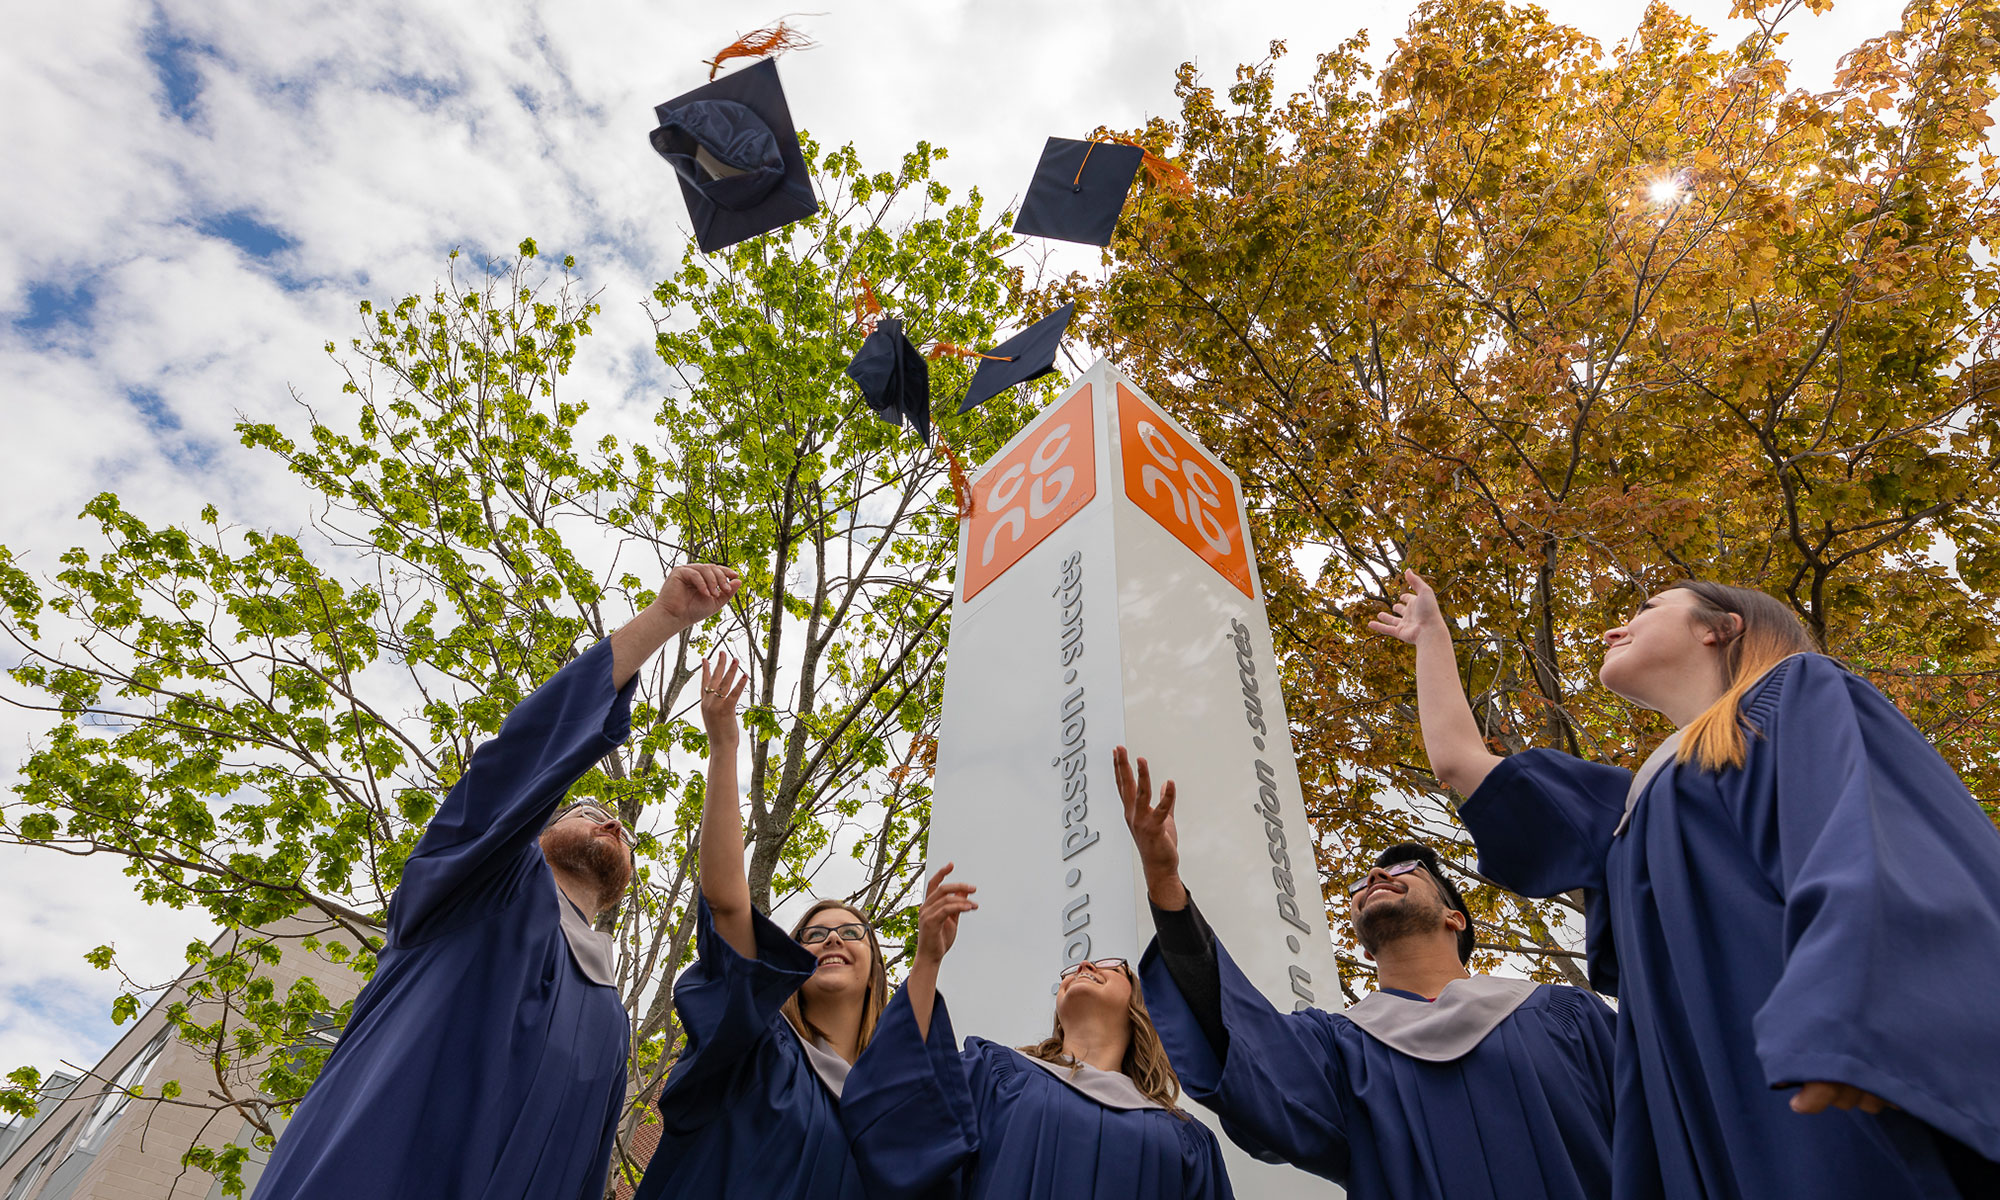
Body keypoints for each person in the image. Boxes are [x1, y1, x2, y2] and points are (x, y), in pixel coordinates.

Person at [1371, 569, 2000, 1198]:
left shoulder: (1797, 692)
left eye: (1648, 607)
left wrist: (1849, 1012)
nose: (1618, 625)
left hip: (1812, 1068)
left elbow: (1868, 842)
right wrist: (1433, 639)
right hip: (1696, 1108)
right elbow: (1461, 761)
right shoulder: (1627, 806)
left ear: (1721, 628)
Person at [252, 563, 742, 1200]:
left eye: (619, 824)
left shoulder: (608, 1019)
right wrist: (663, 621)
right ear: (532, 834)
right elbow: (519, 765)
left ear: (624, 886)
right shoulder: (474, 889)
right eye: (585, 810)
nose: (609, 821)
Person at [1119, 746, 1616, 1199]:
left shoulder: (1564, 1014)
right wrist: (1164, 881)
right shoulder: (1337, 1052)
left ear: (1454, 917)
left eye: (1405, 873)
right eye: (1362, 881)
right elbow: (1240, 1042)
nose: (1377, 876)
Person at [634, 654, 886, 1199]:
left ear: (876, 969)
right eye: (814, 934)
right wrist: (725, 747)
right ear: (790, 965)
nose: (834, 939)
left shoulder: (894, 1108)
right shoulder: (756, 1045)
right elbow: (728, 904)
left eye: (851, 931)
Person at [838, 863, 1235, 1200]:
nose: (1083, 967)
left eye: (1110, 965)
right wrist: (927, 959)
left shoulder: (1186, 1142)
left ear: (1139, 1003)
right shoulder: (993, 1074)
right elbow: (894, 1106)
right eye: (1071, 970)